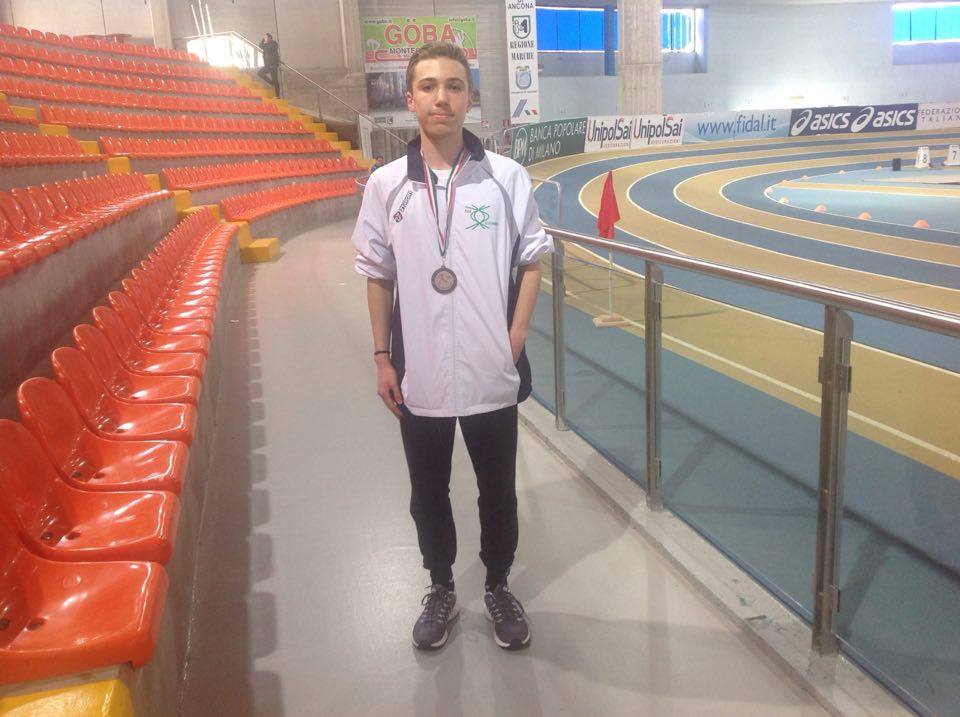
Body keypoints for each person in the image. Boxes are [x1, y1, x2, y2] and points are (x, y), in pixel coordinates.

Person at [351, 41, 550, 651]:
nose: (443, 97)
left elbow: (533, 258)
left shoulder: (505, 177)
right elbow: (378, 274)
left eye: (455, 86)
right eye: (429, 86)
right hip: (421, 373)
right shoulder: (386, 185)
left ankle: (497, 584)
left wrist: (514, 336)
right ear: (410, 99)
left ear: (470, 99)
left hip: (492, 371)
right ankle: (439, 586)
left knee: (498, 491)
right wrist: (382, 357)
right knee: (428, 492)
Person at [257, 32, 281, 98]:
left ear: (270, 38)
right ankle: (271, 83)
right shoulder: (266, 44)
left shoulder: (273, 44)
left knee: (275, 80)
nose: (264, 39)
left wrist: (266, 43)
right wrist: (263, 39)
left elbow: (269, 49)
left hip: (273, 64)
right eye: (264, 38)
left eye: (266, 37)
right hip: (267, 65)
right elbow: (260, 46)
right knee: (260, 73)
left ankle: (277, 96)